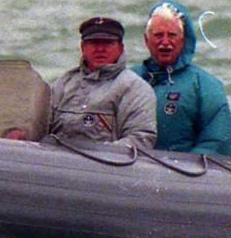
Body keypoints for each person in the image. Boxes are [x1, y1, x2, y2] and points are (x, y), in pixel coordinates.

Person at [131, 0, 231, 155]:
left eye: (172, 35)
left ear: (183, 40)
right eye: (158, 35)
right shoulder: (129, 80)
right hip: (131, 170)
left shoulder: (207, 86)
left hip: (181, 173)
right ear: (146, 40)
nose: (165, 42)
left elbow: (216, 143)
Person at [46, 16, 156, 150]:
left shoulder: (135, 88)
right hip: (58, 164)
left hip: (107, 167)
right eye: (94, 43)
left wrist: (94, 155)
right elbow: (41, 129)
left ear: (120, 48)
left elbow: (140, 140)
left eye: (107, 43)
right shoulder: (62, 84)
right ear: (83, 47)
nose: (100, 49)